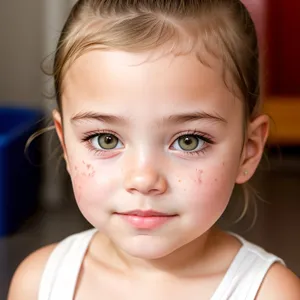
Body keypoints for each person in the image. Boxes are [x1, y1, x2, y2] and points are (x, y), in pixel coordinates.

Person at [8, 0, 300, 299]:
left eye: (189, 141)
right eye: (105, 139)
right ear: (66, 145)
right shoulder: (39, 283)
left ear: (248, 151)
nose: (143, 179)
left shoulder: (269, 293)